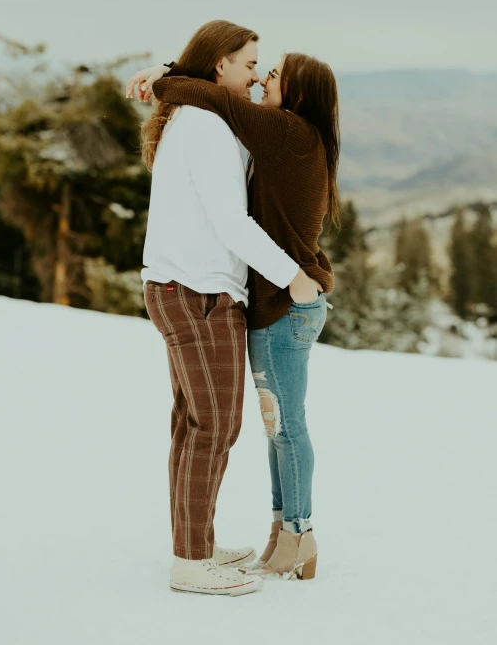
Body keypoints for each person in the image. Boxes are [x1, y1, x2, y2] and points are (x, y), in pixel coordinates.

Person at [127, 44, 340, 583]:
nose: (261, 80)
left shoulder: (288, 131)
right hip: (279, 303)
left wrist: (167, 76)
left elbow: (218, 101)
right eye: (257, 68)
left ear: (296, 93)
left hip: (287, 305)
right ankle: (280, 534)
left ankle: (300, 534)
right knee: (271, 427)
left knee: (283, 426)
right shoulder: (288, 137)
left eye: (271, 75)